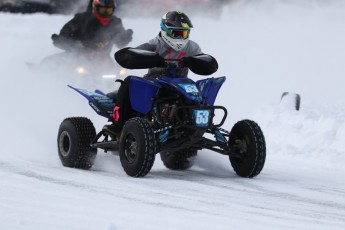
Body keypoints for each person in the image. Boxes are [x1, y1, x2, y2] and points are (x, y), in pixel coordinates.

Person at [104, 11, 218, 136]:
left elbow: (210, 64)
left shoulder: (192, 47)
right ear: (165, 30)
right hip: (154, 82)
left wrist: (192, 62)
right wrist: (154, 59)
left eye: (184, 33)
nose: (180, 37)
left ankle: (193, 127)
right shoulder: (154, 45)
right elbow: (124, 56)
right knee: (129, 82)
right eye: (176, 33)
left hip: (181, 85)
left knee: (201, 94)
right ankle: (119, 125)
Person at [50, 0, 133, 68]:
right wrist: (76, 46)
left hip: (103, 60)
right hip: (77, 58)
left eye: (109, 10)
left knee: (118, 73)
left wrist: (124, 38)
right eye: (103, 10)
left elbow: (120, 43)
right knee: (55, 65)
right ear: (95, 8)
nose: (105, 13)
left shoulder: (115, 23)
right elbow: (63, 37)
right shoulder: (80, 20)